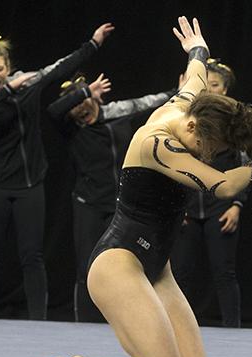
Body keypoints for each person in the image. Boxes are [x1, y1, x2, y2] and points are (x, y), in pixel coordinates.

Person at [15, 16, 252, 357]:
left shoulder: (191, 104)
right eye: (212, 150)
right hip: (118, 266)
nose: (212, 157)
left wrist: (198, 49)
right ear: (192, 131)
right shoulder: (158, 143)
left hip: (157, 267)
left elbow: (196, 74)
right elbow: (223, 186)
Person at [0, 23, 114, 320]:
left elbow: (59, 68)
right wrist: (7, 89)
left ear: (8, 67)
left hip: (30, 184)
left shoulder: (27, 86)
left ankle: (38, 321)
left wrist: (92, 44)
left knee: (32, 256)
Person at [47, 72, 179, 322]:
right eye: (74, 107)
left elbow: (149, 102)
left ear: (98, 100)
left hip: (124, 207)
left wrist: (178, 91)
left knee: (131, 267)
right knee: (87, 268)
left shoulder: (117, 114)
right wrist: (85, 93)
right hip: (88, 204)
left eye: (84, 103)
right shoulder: (71, 127)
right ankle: (85, 323)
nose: (80, 110)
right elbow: (54, 110)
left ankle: (131, 321)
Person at [170, 58, 246, 327]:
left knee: (224, 273)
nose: (209, 90)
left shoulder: (235, 119)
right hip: (187, 210)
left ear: (224, 90)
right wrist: (175, 209)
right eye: (206, 85)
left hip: (220, 209)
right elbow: (172, 163)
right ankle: (179, 328)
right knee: (179, 274)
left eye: (214, 85)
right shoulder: (185, 118)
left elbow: (245, 166)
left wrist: (237, 203)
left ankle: (233, 330)